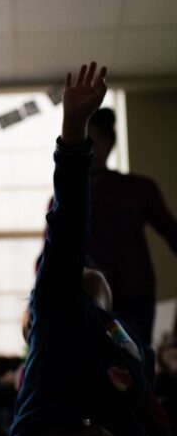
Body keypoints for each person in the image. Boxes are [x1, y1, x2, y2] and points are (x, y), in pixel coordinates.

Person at [10, 62, 177, 436]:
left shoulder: (125, 343)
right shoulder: (62, 307)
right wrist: (74, 131)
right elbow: (64, 233)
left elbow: (146, 419)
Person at [43, 107, 177, 344]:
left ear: (108, 141)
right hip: (85, 298)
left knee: (133, 364)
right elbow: (50, 251)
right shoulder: (63, 197)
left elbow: (172, 232)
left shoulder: (138, 189)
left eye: (91, 138)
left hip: (133, 297)